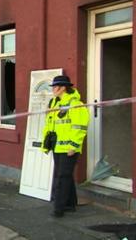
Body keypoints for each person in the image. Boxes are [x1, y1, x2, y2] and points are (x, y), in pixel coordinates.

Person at [41, 75, 90, 218]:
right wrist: (46, 144)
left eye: (55, 87)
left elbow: (80, 127)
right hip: (57, 146)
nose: (53, 90)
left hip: (69, 147)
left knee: (62, 177)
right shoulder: (54, 104)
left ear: (63, 88)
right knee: (64, 175)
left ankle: (59, 208)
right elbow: (50, 126)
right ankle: (70, 204)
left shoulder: (75, 104)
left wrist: (73, 146)